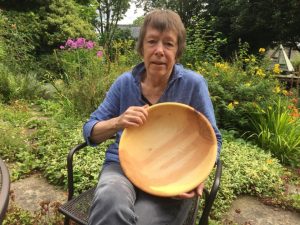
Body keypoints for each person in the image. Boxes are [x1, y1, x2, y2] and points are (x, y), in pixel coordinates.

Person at [83, 9, 222, 225]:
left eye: (168, 44)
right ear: (142, 48)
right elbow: (90, 130)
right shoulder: (124, 83)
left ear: (177, 51)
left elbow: (213, 139)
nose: (159, 50)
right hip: (122, 167)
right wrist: (118, 122)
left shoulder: (193, 85)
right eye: (152, 41)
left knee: (144, 221)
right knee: (110, 202)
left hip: (173, 173)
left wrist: (194, 176)